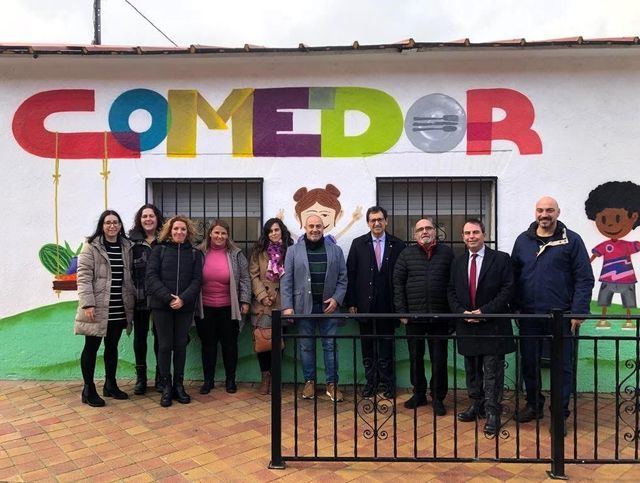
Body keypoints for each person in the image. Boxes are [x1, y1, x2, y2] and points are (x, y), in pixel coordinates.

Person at [511, 196, 594, 433]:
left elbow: (584, 278)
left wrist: (578, 312)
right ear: (535, 212)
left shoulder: (572, 240)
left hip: (562, 317)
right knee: (529, 363)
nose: (544, 214)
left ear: (558, 212)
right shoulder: (523, 241)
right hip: (529, 316)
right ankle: (534, 404)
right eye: (540, 210)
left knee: (562, 367)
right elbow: (514, 277)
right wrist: (516, 308)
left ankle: (559, 415)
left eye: (549, 210)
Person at [447, 219, 515, 435]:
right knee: (471, 368)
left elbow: (508, 289)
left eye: (475, 232)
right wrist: (461, 312)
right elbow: (450, 291)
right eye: (467, 233)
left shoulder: (501, 259)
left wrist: (484, 312)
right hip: (467, 324)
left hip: (493, 324)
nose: (471, 237)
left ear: (483, 234)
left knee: (492, 371)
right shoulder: (457, 262)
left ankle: (493, 411)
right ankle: (475, 404)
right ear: (463, 236)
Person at [281, 214, 348, 402]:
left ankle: (332, 384)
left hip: (329, 308)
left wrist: (336, 299)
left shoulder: (336, 250)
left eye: (318, 226)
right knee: (306, 346)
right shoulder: (293, 251)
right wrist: (287, 306)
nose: (315, 229)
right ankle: (309, 382)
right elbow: (286, 281)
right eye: (311, 226)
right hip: (304, 308)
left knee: (330, 346)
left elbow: (343, 278)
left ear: (323, 227)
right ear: (305, 227)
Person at [393, 217, 453, 415]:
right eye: (421, 229)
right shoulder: (406, 254)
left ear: (435, 232)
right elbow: (398, 285)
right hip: (414, 317)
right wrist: (402, 312)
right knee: (415, 357)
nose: (425, 231)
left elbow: (454, 285)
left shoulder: (447, 253)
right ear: (414, 234)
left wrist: (452, 314)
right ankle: (419, 393)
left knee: (439, 359)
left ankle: (438, 397)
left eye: (428, 228)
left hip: (439, 317)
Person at [74, 210, 135, 407]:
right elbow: (83, 276)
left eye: (115, 222)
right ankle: (88, 389)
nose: (112, 226)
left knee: (112, 346)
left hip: (119, 305)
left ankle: (110, 384)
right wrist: (88, 303)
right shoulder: (91, 247)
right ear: (102, 225)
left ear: (120, 225)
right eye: (108, 222)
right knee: (91, 347)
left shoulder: (126, 246)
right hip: (97, 306)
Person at [346, 206, 406, 399]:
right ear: (368, 222)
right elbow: (351, 274)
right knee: (368, 348)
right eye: (373, 220)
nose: (377, 223)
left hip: (388, 307)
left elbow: (403, 277)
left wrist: (401, 306)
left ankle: (388, 384)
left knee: (387, 348)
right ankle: (370, 383)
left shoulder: (397, 245)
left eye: (380, 219)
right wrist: (352, 302)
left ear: (386, 221)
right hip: (365, 306)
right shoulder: (358, 244)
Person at [146, 215, 203, 407]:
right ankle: (166, 385)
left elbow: (197, 280)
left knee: (180, 345)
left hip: (184, 308)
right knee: (164, 346)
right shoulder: (158, 250)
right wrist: (169, 298)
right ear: (169, 231)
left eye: (183, 229)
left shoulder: (195, 254)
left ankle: (179, 385)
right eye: (176, 229)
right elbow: (151, 277)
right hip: (162, 307)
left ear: (188, 232)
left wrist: (183, 299)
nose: (179, 232)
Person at [196, 219, 251, 395]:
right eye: (217, 233)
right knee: (208, 345)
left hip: (229, 307)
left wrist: (245, 301)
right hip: (205, 308)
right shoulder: (199, 253)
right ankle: (208, 381)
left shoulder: (236, 254)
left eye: (223, 233)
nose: (220, 236)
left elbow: (244, 278)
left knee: (230, 345)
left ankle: (230, 380)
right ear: (210, 234)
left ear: (228, 236)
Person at [584, 181, 640, 328]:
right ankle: (602, 319)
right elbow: (595, 255)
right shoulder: (605, 245)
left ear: (634, 217)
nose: (609, 225)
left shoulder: (628, 245)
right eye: (603, 219)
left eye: (617, 219)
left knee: (628, 302)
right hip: (607, 278)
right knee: (604, 300)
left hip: (627, 280)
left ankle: (629, 321)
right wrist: (585, 265)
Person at [249, 218, 294, 395]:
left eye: (276, 230)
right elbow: (253, 275)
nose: (274, 233)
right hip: (263, 305)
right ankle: (265, 377)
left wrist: (280, 295)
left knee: (279, 343)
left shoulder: (290, 250)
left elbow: (293, 276)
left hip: (283, 303)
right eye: (270, 231)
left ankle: (275, 377)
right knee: (263, 342)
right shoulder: (259, 252)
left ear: (282, 231)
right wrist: (262, 296)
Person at [128, 203, 164, 395]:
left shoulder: (165, 240)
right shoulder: (131, 241)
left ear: (157, 218)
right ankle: (141, 378)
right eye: (144, 216)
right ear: (139, 220)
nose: (148, 219)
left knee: (161, 337)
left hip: (160, 297)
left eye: (151, 216)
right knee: (140, 337)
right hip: (139, 296)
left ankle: (161, 377)